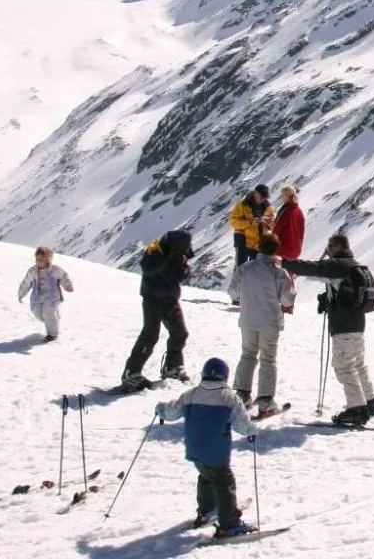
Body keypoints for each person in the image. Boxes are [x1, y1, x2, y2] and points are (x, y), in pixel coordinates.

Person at [156, 357, 258, 539]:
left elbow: (172, 412)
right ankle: (230, 523)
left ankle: (207, 510)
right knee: (224, 482)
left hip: (195, 450)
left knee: (206, 476)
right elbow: (242, 427)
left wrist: (161, 409)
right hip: (216, 451)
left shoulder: (191, 394)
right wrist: (252, 430)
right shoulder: (230, 399)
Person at [282, 235, 374, 426]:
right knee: (357, 363)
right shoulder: (355, 265)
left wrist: (284, 263)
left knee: (343, 365)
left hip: (343, 325)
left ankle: (357, 409)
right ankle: (368, 401)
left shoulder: (337, 265)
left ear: (338, 246)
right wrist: (328, 299)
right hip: (357, 323)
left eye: (330, 245)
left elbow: (312, 267)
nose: (327, 249)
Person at [226, 234, 292, 418]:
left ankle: (241, 394)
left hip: (247, 319)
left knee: (247, 354)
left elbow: (232, 292)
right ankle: (265, 401)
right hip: (269, 321)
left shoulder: (245, 268)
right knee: (268, 359)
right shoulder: (278, 272)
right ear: (276, 250)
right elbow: (288, 298)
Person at [121, 229, 194, 390]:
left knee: (180, 333)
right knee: (150, 335)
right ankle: (131, 373)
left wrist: (184, 268)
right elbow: (148, 269)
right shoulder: (155, 250)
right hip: (152, 298)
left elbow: (179, 276)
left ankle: (173, 367)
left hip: (170, 298)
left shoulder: (178, 253)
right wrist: (167, 257)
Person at [17, 245, 74, 342]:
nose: (39, 261)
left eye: (42, 259)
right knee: (39, 314)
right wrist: (21, 294)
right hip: (38, 296)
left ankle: (52, 334)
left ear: (48, 259)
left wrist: (68, 286)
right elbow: (26, 283)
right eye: (37, 259)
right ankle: (53, 319)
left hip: (52, 297)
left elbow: (64, 277)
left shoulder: (55, 270)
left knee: (48, 313)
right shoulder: (33, 271)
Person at [228, 185, 274, 271]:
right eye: (262, 196)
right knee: (240, 267)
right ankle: (237, 284)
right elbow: (233, 222)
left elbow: (272, 222)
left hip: (258, 242)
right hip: (242, 240)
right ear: (255, 193)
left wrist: (270, 222)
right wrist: (250, 222)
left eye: (265, 197)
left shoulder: (267, 206)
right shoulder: (243, 204)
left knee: (260, 268)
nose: (263, 199)